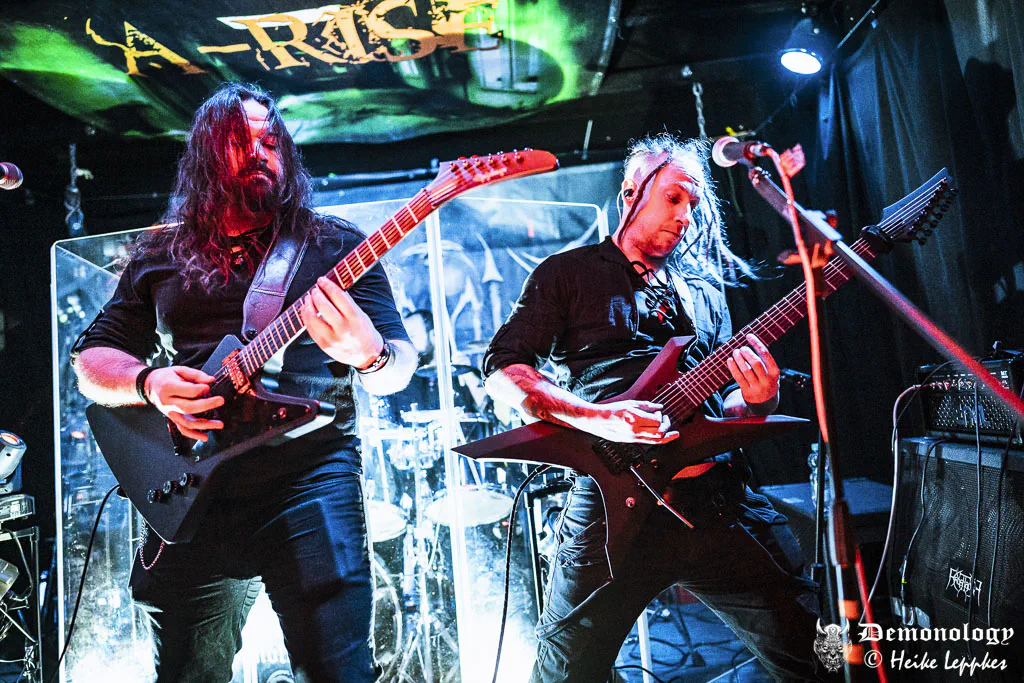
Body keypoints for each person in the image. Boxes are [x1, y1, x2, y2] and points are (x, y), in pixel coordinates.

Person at [71, 83, 416, 682]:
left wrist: (370, 354)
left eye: (272, 142)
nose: (260, 152)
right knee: (187, 673)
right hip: (191, 487)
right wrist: (149, 383)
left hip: (308, 474)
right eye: (240, 140)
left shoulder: (333, 244)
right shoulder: (159, 253)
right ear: (206, 153)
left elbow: (400, 367)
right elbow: (91, 360)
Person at [482, 133, 822, 681]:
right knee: (567, 674)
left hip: (717, 502)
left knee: (819, 651)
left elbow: (730, 409)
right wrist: (600, 418)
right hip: (612, 509)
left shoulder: (702, 288)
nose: (685, 216)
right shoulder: (568, 274)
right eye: (673, 198)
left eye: (693, 204)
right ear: (631, 192)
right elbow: (504, 372)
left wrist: (761, 397)